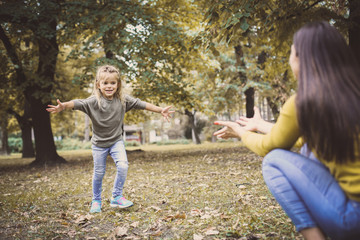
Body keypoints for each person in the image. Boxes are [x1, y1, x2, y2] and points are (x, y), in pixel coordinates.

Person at [213, 21, 360, 240]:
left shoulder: (304, 102)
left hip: (351, 219)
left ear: (302, 58)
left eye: (292, 53)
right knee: (310, 147)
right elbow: (309, 139)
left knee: (273, 160)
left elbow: (269, 147)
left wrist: (242, 133)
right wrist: (260, 125)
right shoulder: (351, 94)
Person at [47, 65, 174, 213]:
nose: (109, 86)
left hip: (116, 141)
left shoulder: (122, 100)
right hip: (99, 145)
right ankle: (96, 200)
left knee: (123, 166)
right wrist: (63, 106)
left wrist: (160, 110)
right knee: (99, 173)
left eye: (112, 83)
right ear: (98, 85)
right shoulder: (93, 101)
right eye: (105, 83)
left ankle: (116, 196)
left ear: (118, 84)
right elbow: (77, 102)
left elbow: (142, 104)